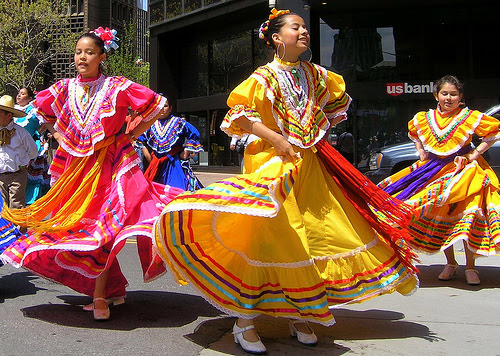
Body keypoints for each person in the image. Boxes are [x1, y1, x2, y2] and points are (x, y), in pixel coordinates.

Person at [153, 9, 418, 354]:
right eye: (297, 28)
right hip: (272, 166)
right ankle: (244, 321)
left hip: (310, 168)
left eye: (305, 28)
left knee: (313, 235)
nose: (304, 32)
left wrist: (314, 137)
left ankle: (298, 311)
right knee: (268, 238)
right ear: (277, 38)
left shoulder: (316, 75)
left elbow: (332, 107)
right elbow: (239, 116)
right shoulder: (263, 77)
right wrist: (277, 139)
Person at [0, 28, 183, 321]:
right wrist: (57, 135)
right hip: (76, 168)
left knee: (103, 228)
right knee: (78, 227)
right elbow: (41, 113)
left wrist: (132, 134)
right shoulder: (63, 88)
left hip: (112, 164)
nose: (82, 57)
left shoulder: (116, 86)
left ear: (101, 56)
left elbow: (155, 105)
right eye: (78, 52)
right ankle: (112, 290)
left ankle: (100, 296)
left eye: (89, 52)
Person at [380, 75, 500, 285]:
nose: (449, 98)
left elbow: (492, 133)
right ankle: (451, 263)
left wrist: (474, 154)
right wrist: (421, 152)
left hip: (465, 173)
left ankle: (471, 267)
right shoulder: (425, 118)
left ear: (460, 97)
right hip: (435, 172)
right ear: (436, 95)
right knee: (441, 219)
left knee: (467, 218)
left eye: (453, 94)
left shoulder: (468, 117)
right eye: (444, 93)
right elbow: (414, 133)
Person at [139, 100, 204, 191]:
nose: (162, 109)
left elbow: (194, 133)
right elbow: (140, 138)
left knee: (176, 190)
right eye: (159, 107)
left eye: (165, 106)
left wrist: (186, 152)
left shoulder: (178, 122)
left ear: (170, 109)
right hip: (156, 164)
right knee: (154, 193)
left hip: (174, 162)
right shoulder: (150, 123)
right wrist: (147, 155)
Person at [0, 95, 39, 210]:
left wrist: (23, 163)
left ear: (9, 115)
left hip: (17, 174)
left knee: (16, 203)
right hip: (1, 175)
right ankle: (5, 228)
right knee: (2, 205)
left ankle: (19, 227)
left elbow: (32, 151)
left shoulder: (21, 132)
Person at [14, 87, 51, 204]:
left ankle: (31, 203)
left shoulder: (34, 110)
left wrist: (38, 133)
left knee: (32, 176)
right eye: (19, 93)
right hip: (16, 148)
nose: (19, 96)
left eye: (23, 94)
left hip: (32, 146)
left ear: (30, 98)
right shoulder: (13, 110)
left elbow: (47, 121)